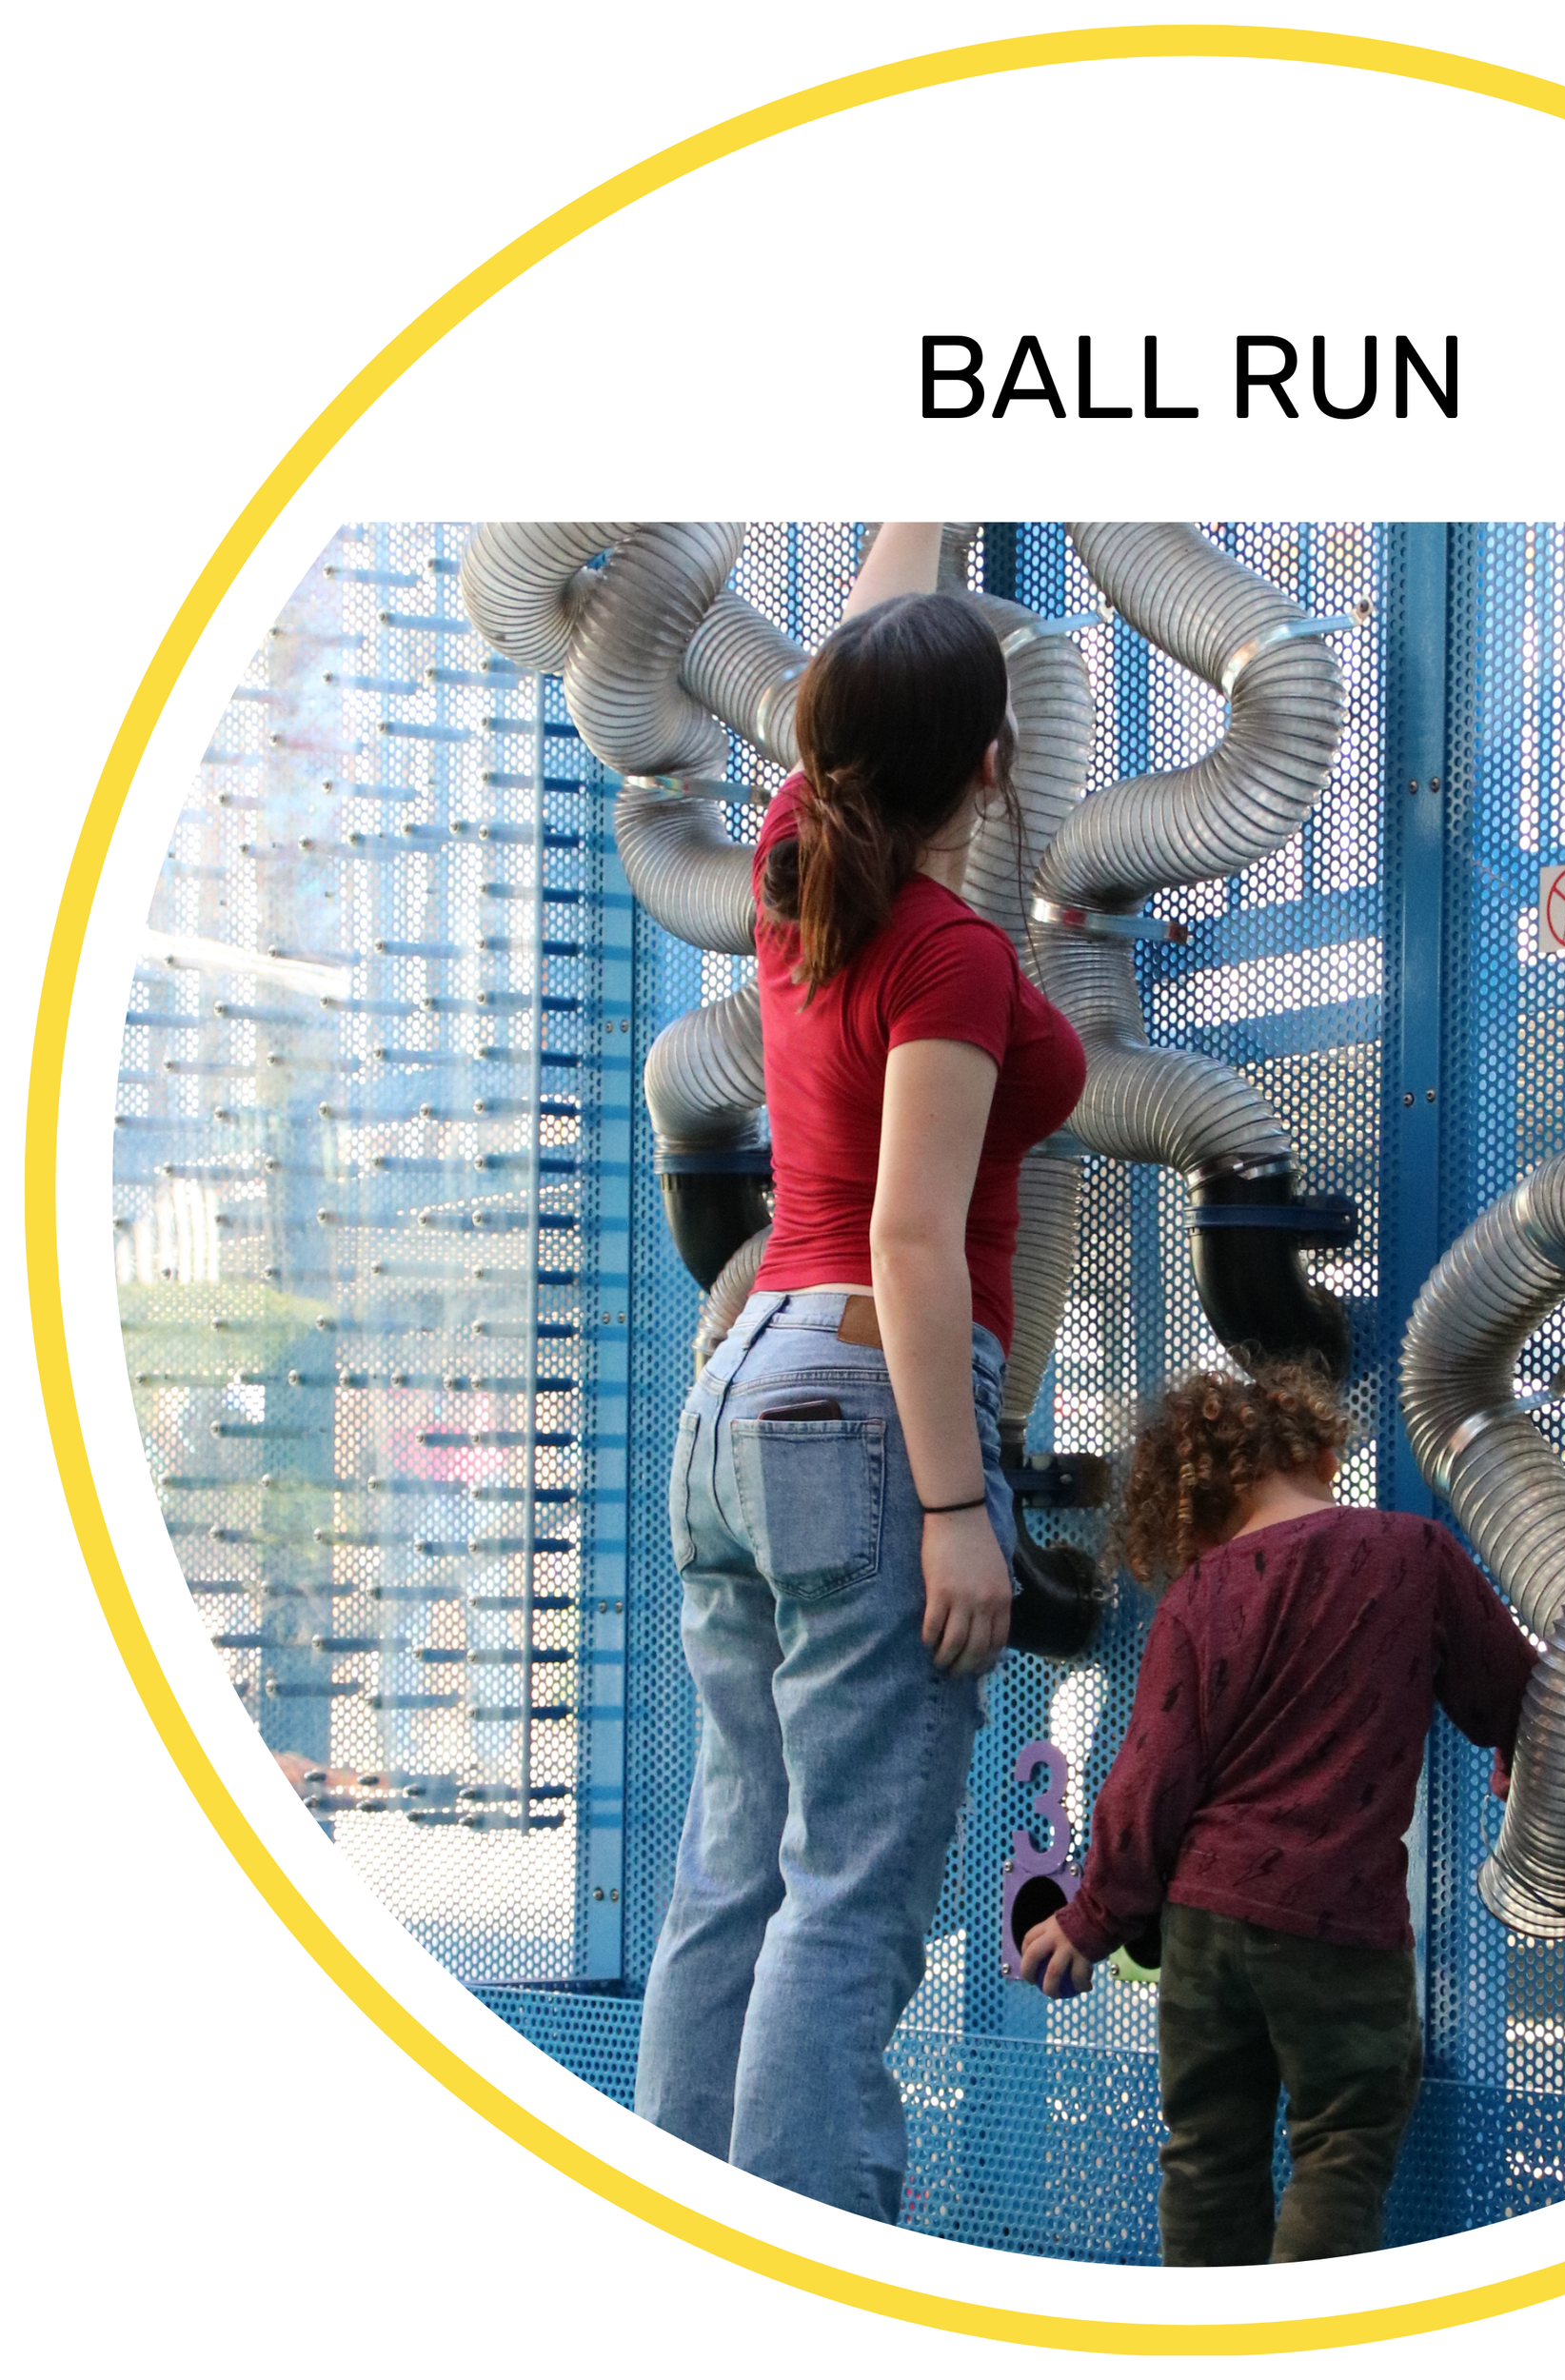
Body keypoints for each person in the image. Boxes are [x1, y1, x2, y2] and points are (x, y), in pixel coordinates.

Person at [634, 526, 1087, 2223]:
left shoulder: (788, 863)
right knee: (849, 1892)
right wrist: (960, 1511)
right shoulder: (948, 952)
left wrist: (938, 481)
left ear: (821, 746)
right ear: (992, 763)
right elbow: (912, 1237)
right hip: (864, 1399)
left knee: (737, 1864)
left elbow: (869, 624)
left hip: (742, 1389)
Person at [1016, 1365, 1537, 2264]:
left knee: (1207, 2156)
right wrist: (1515, 1749)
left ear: (1190, 1508)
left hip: (1204, 1925)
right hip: (1337, 1922)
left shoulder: (1197, 1597)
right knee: (1342, 2142)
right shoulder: (1414, 1552)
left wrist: (1094, 1917)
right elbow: (1511, 1691)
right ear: (1319, 1451)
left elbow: (1150, 1778)